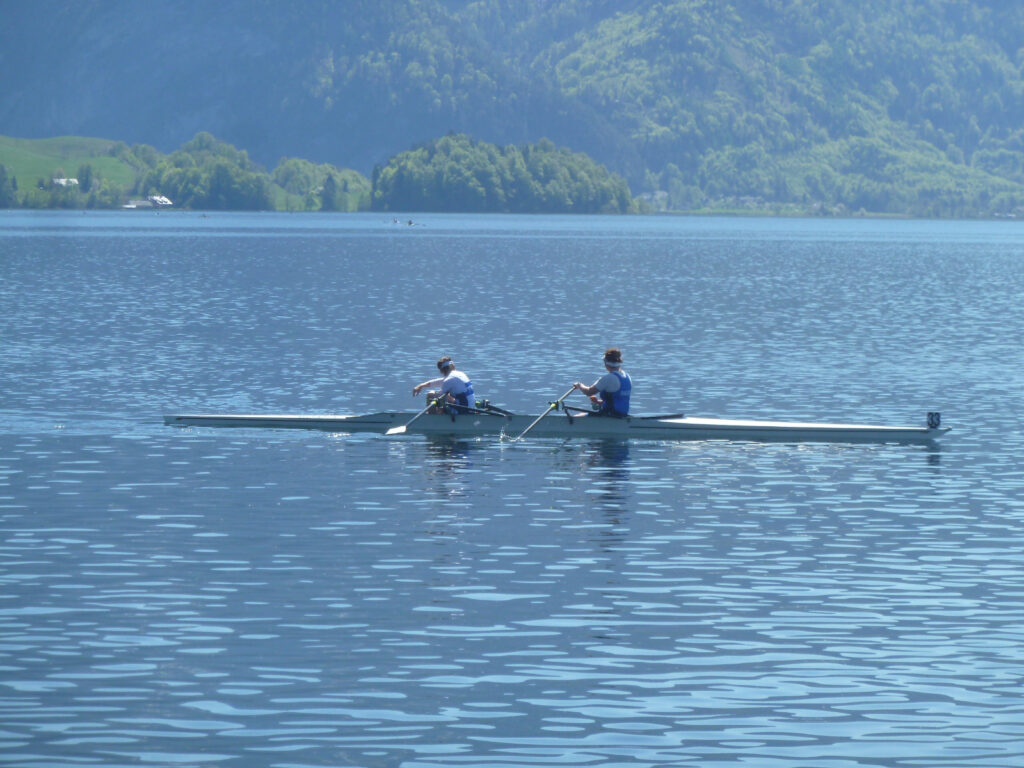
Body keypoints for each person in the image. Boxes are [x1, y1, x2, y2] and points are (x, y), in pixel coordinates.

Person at [573, 347, 631, 417]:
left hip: (611, 416)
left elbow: (589, 392)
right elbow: (618, 400)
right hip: (623, 415)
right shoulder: (627, 376)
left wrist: (579, 385)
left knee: (576, 418)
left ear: (606, 363)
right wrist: (598, 402)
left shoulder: (609, 378)